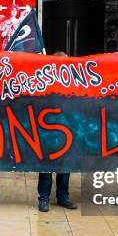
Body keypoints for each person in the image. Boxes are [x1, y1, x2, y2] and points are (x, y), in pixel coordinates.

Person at [36, 51, 78, 212]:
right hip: (47, 131)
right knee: (46, 168)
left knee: (65, 167)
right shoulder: (44, 81)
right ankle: (44, 198)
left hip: (66, 130)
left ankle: (63, 197)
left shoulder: (73, 82)